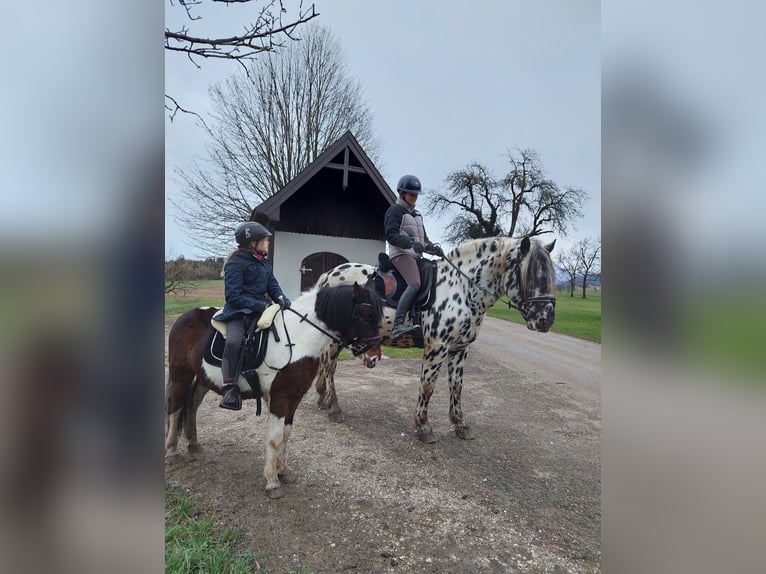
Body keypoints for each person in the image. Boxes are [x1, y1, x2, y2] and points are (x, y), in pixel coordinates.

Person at [215, 222, 291, 410]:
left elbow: (272, 285)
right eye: (264, 240)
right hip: (238, 311)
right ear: (252, 243)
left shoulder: (264, 263)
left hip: (262, 309)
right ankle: (229, 388)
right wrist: (258, 305)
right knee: (233, 341)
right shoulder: (235, 263)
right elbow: (233, 295)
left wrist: (282, 298)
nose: (267, 243)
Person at [384, 174, 445, 340]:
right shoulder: (394, 211)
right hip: (400, 254)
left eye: (416, 194)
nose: (415, 197)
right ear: (402, 193)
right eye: (412, 194)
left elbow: (423, 240)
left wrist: (433, 248)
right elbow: (391, 235)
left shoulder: (417, 215)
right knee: (414, 283)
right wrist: (409, 243)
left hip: (415, 256)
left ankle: (418, 318)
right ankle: (397, 325)